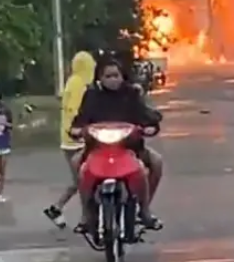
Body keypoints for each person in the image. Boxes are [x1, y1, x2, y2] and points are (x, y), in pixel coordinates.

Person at [69, 59, 164, 231]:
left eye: (116, 75)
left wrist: (150, 126)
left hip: (130, 147)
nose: (113, 80)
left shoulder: (132, 93)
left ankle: (144, 211)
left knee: (156, 162)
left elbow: (144, 114)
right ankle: (86, 214)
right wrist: (77, 129)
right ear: (100, 78)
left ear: (122, 76)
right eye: (108, 76)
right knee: (77, 163)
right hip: (97, 148)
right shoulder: (91, 95)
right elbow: (82, 118)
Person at [43, 51, 96, 228]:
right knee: (83, 181)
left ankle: (57, 209)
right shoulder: (79, 84)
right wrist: (84, 129)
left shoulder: (73, 81)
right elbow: (75, 110)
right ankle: (85, 217)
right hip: (76, 139)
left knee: (80, 180)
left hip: (70, 138)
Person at [0, 91, 12, 202]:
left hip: (4, 143)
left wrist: (5, 125)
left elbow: (11, 124)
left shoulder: (6, 110)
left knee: (1, 170)